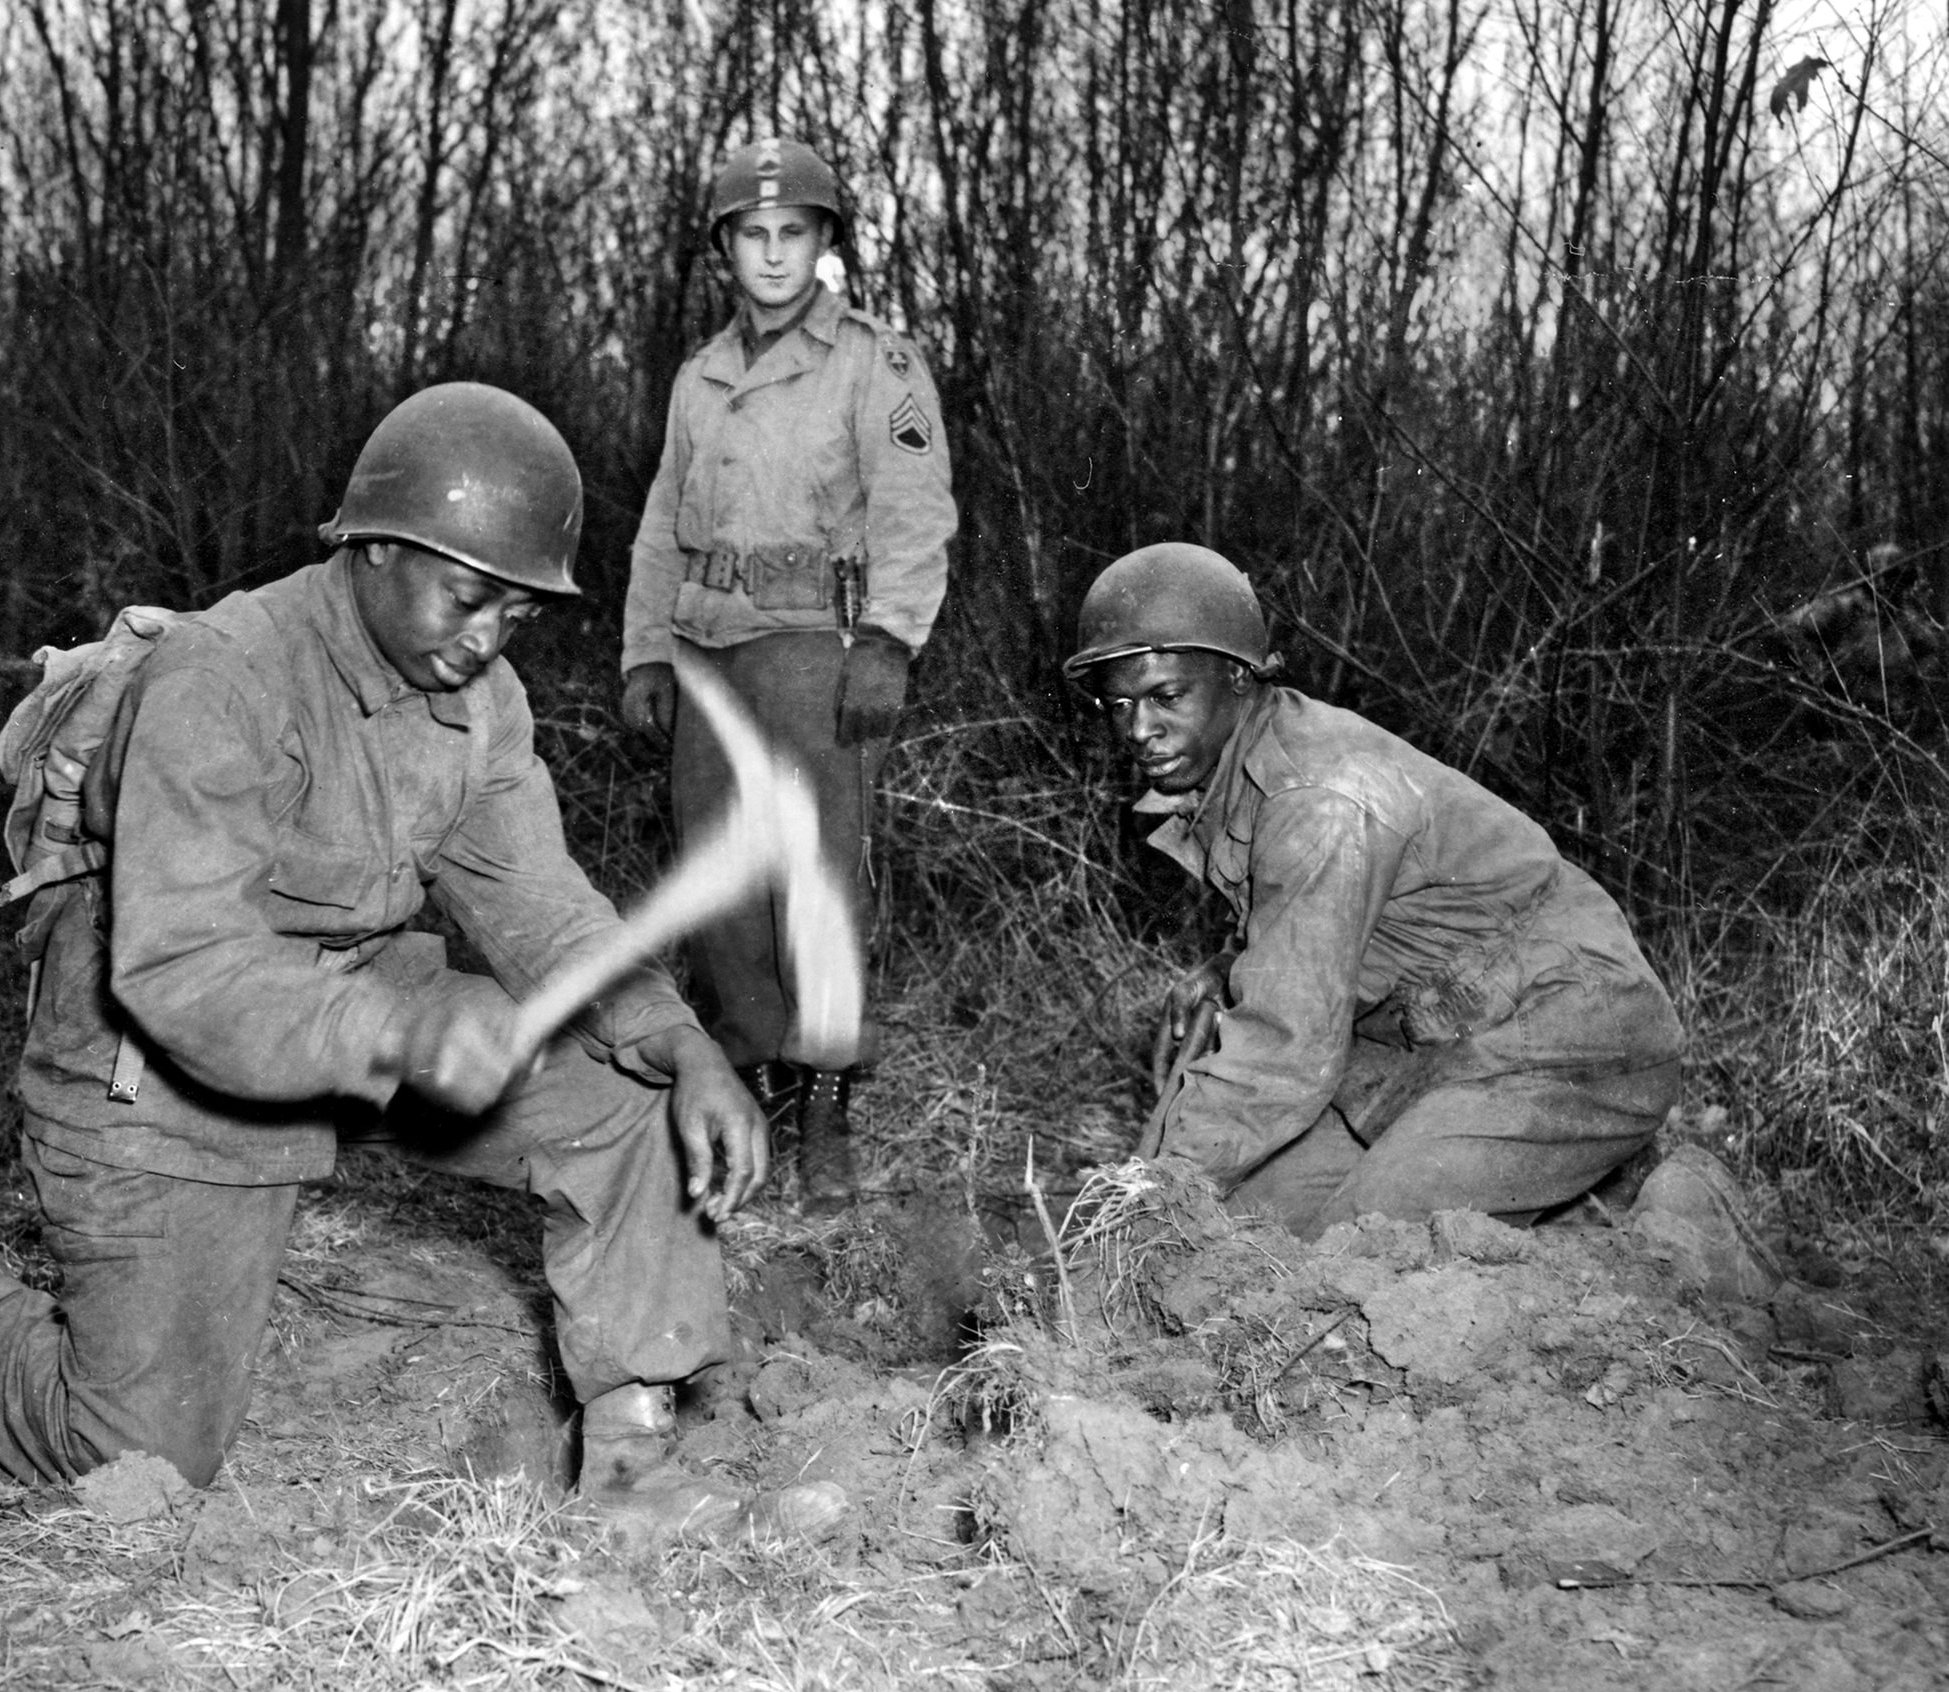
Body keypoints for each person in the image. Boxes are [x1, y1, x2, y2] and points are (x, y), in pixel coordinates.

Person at [0, 384, 834, 1543]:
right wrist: (403, 1038)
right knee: (139, 1454)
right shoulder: (222, 680)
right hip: (153, 1055)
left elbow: (541, 907)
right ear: (375, 549)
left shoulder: (481, 702)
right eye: (467, 596)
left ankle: (632, 1466)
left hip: (366, 1008)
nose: (486, 637)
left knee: (625, 1095)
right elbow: (183, 968)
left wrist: (682, 1046)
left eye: (516, 615)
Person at [1068, 542, 1683, 1239]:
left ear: (1239, 677)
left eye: (1166, 696)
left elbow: (1283, 1049)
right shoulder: (1249, 763)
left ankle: (1683, 1225)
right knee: (1233, 1239)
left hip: (1570, 1033)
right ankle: (1572, 1216)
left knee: (1356, 1260)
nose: (1140, 730)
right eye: (1119, 704)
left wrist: (1142, 1199)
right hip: (1428, 1042)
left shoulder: (1322, 796)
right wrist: (1230, 967)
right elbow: (1329, 935)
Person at [620, 136, 957, 1211]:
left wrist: (891, 642)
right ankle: (751, 1078)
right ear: (725, 248)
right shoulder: (698, 379)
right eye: (752, 235)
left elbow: (914, 515)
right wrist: (643, 650)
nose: (772, 254)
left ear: (824, 246)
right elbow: (659, 532)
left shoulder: (875, 362)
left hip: (817, 645)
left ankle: (826, 1100)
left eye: (793, 234)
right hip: (709, 648)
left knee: (815, 875)